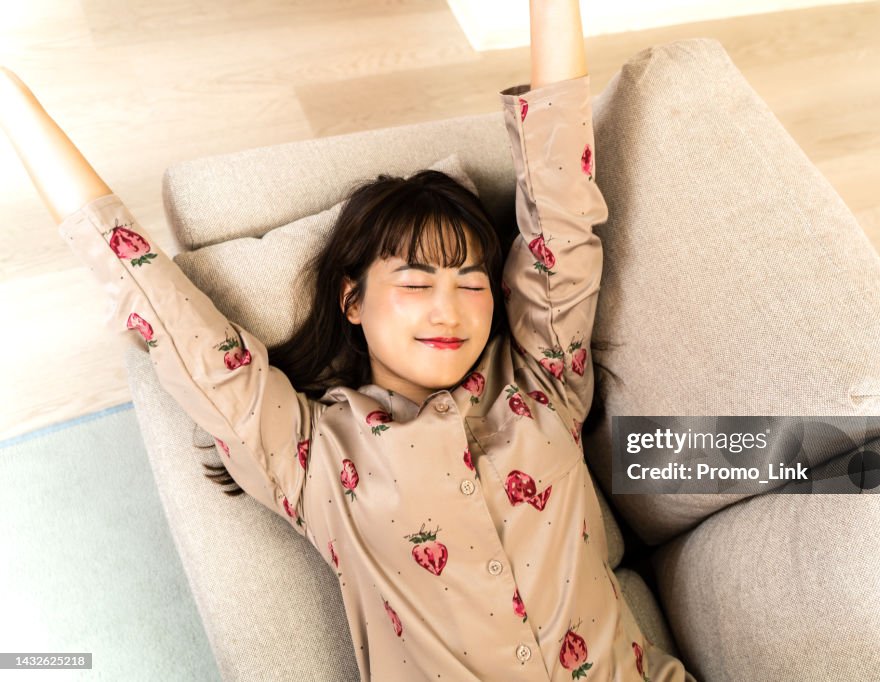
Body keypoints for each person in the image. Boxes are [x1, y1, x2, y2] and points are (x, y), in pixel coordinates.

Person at [1, 1, 694, 680]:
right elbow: (159, 304)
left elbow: (563, 204)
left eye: (471, 281)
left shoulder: (543, 379)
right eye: (416, 283)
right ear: (353, 299)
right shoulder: (315, 458)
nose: (448, 309)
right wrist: (12, 90)